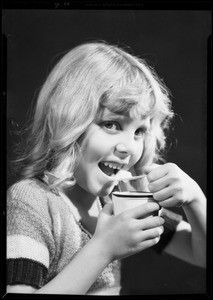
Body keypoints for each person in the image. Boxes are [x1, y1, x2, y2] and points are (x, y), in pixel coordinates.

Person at [7, 41, 206, 295]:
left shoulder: (120, 200)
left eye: (139, 131)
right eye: (112, 124)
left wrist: (196, 199)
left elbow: (201, 254)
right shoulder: (32, 202)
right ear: (68, 121)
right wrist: (103, 249)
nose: (129, 148)